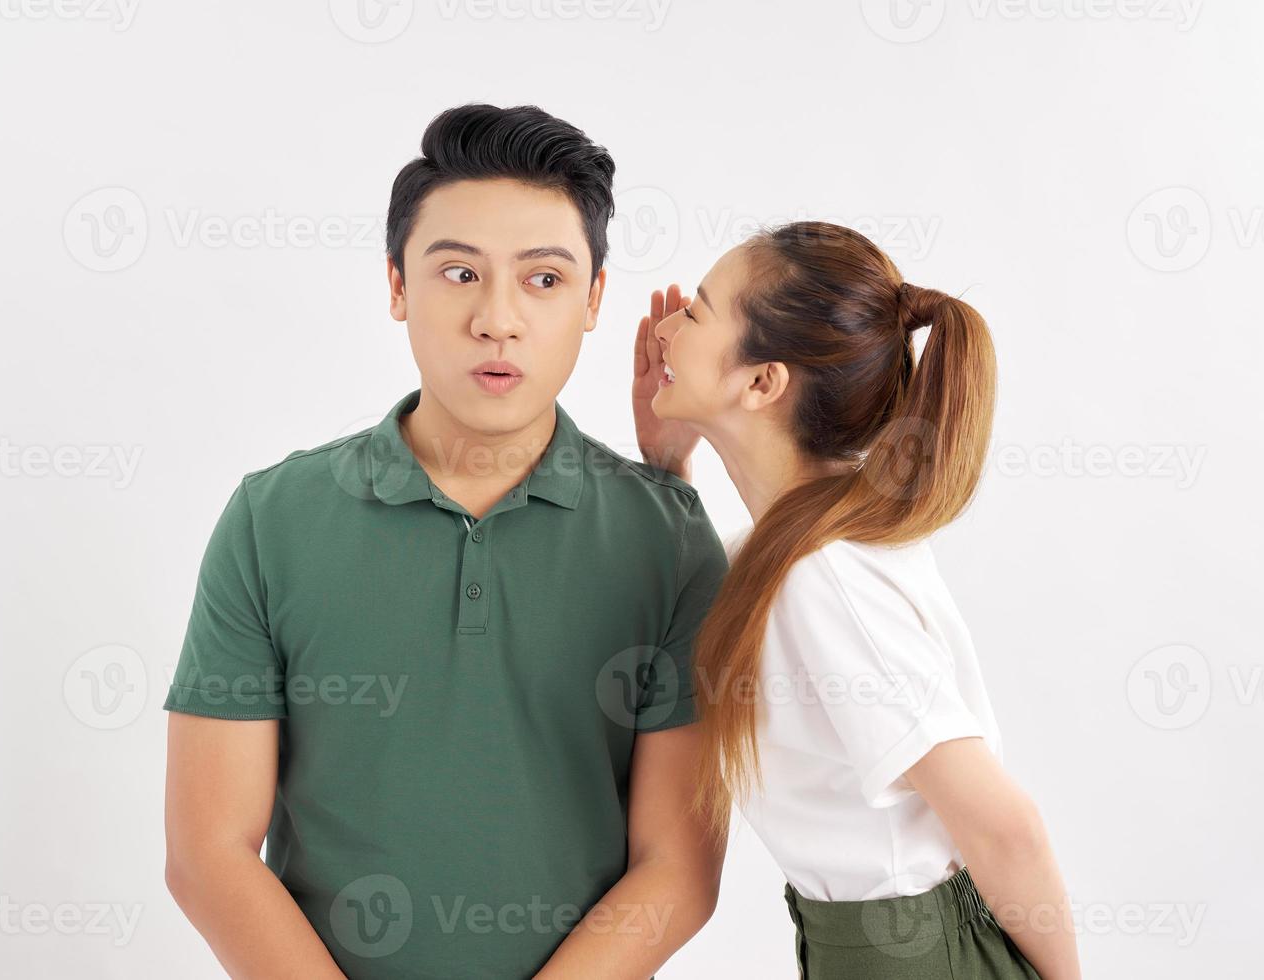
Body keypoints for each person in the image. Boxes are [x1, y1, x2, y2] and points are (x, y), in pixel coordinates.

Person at [162, 103, 730, 979]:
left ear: (594, 302)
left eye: (542, 280)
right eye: (458, 273)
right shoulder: (272, 519)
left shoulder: (670, 536)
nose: (497, 320)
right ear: (396, 286)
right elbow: (209, 853)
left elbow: (680, 868)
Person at [632, 223, 1082, 979]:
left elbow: (1007, 828)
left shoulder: (824, 575)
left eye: (698, 313)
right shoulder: (781, 554)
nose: (666, 331)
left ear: (762, 381)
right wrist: (669, 468)